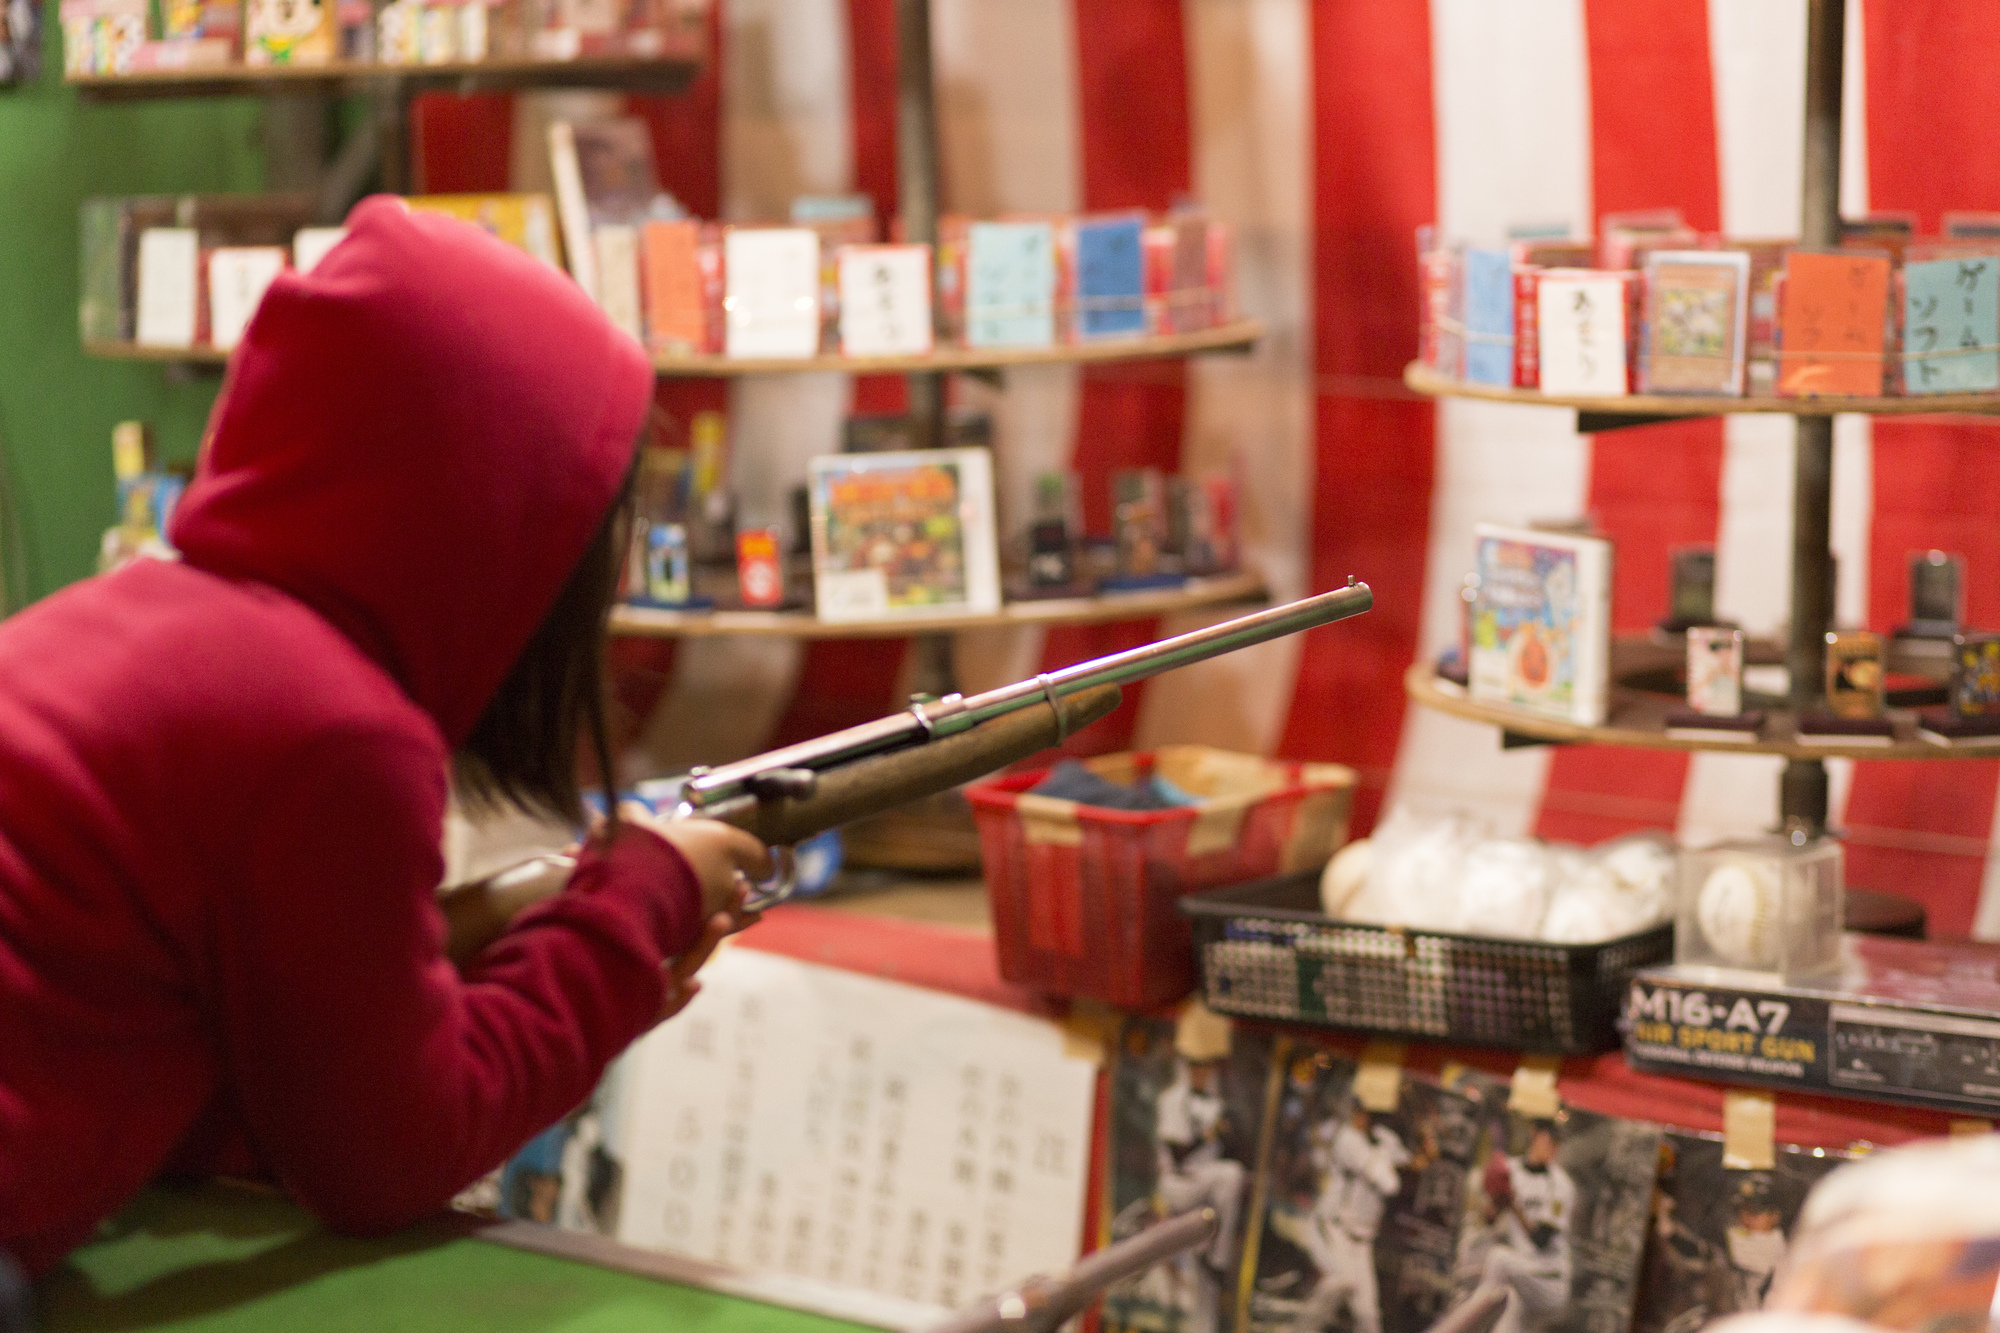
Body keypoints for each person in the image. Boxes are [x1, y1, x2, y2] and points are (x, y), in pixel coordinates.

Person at [0, 197, 770, 1283]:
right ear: (492, 522)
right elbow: (388, 1155)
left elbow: (164, 1038)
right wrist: (635, 905)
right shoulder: (330, 731)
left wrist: (506, 921)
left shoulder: (138, 617)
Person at [1151, 1006, 1247, 1333]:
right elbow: (1178, 1154)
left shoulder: (1215, 1103)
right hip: (1179, 1185)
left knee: (1202, 1287)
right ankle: (1218, 1259)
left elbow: (1233, 1147)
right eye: (1197, 1066)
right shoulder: (1172, 1099)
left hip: (1205, 1193)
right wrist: (1209, 1134)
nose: (1202, 1073)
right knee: (1230, 1175)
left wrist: (1226, 1130)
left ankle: (1213, 1265)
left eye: (1206, 1067)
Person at [1291, 1104, 1412, 1333]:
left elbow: (1411, 1160)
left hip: (1362, 1239)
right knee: (1341, 1281)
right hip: (1334, 1228)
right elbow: (1389, 1184)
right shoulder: (1349, 1139)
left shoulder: (1381, 1139)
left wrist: (1399, 1154)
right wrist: (1387, 1156)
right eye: (1362, 1112)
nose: (1364, 1118)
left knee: (1368, 1315)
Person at [1465, 1121, 1577, 1333]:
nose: (1553, 1146)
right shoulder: (1511, 1170)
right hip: (1521, 1275)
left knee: (1499, 1258)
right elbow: (1490, 1219)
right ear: (1534, 1135)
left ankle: (1470, 1322)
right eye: (1549, 1139)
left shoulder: (1561, 1185)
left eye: (1557, 1142)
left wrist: (1513, 1204)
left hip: (1548, 1278)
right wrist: (1495, 1205)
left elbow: (1541, 1240)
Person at [1723, 1175, 1787, 1311]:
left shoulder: (1786, 1254)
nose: (1746, 1218)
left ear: (1774, 1216)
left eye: (1755, 1212)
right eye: (1742, 1210)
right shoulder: (1733, 1240)